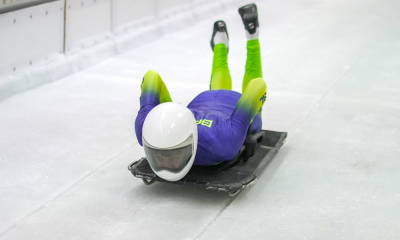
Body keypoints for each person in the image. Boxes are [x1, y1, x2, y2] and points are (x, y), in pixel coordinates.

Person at [135, 3, 266, 181]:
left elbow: (257, 86)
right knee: (227, 89)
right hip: (208, 105)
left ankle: (246, 39)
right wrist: (165, 111)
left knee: (245, 98)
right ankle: (239, 38)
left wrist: (247, 130)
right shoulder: (145, 129)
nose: (167, 164)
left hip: (229, 109)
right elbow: (151, 77)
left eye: (174, 157)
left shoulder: (224, 144)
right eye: (158, 155)